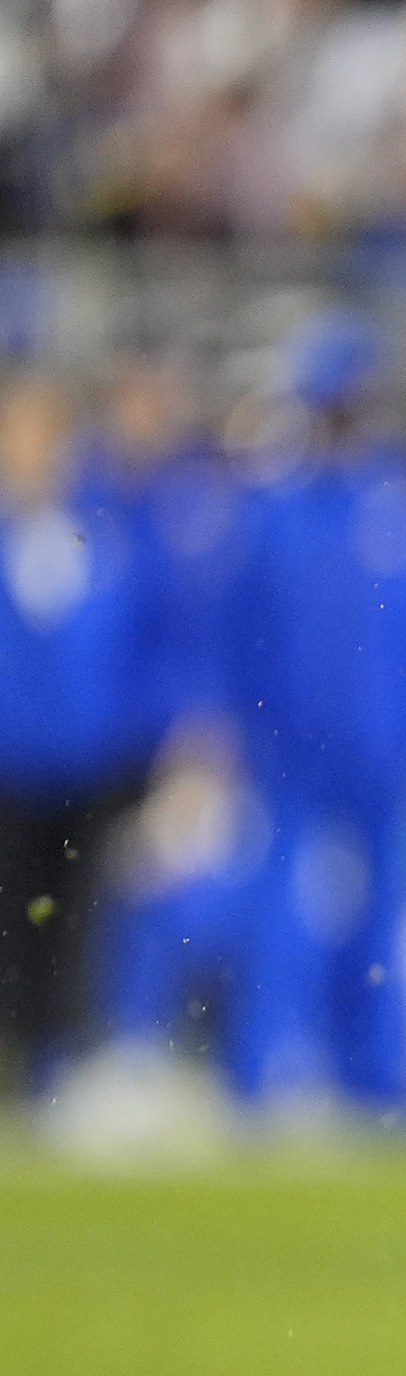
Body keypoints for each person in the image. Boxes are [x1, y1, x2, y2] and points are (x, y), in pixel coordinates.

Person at [220, 310, 406, 1120]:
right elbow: (241, 633)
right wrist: (242, 732)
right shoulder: (278, 503)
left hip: (385, 743)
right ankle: (263, 1076)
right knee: (278, 910)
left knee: (383, 916)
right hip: (292, 745)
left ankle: (376, 1076)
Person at [0, 371, 165, 1098]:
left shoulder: (107, 534)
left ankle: (58, 1061)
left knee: (77, 922)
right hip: (10, 765)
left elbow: (143, 648)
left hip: (86, 765)